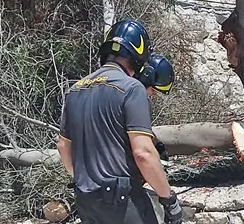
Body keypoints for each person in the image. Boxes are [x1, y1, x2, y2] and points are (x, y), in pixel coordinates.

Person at [56, 18, 182, 224]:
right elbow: (143, 153)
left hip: (86, 201)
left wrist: (87, 182)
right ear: (139, 56)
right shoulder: (132, 88)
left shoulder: (75, 90)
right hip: (122, 202)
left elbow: (63, 147)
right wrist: (168, 198)